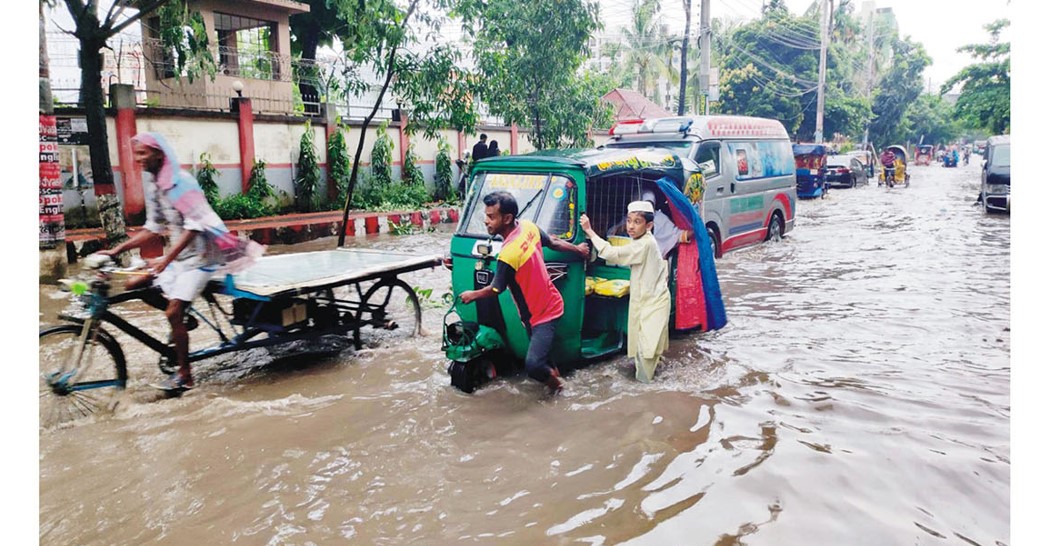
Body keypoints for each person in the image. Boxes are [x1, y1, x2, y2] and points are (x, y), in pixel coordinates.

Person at [98, 132, 264, 392]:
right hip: (179, 257)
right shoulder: (155, 185)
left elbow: (194, 227)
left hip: (202, 258)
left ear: (159, 155)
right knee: (134, 284)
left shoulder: (182, 182)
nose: (138, 159)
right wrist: (117, 249)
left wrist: (166, 260)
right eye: (137, 154)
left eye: (143, 154)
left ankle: (185, 374)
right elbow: (152, 228)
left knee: (172, 311)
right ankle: (185, 322)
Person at [458, 191, 589, 394]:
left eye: (491, 217)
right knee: (544, 359)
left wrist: (471, 295)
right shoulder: (528, 226)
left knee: (534, 365)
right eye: (486, 216)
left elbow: (495, 289)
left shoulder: (508, 253)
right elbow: (554, 243)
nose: (486, 221)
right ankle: (556, 380)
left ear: (507, 218)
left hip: (544, 314)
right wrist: (578, 250)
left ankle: (562, 390)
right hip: (541, 308)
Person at [580, 201, 670, 383]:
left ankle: (645, 389)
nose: (630, 226)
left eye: (637, 222)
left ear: (649, 225)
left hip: (654, 302)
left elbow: (612, 253)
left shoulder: (644, 244)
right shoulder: (642, 241)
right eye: (629, 220)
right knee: (642, 345)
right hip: (647, 299)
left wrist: (589, 231)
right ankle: (650, 381)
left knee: (647, 349)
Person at [606, 189, 687, 259]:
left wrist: (695, 231)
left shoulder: (661, 219)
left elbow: (676, 235)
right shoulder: (631, 217)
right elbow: (611, 233)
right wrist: (622, 228)